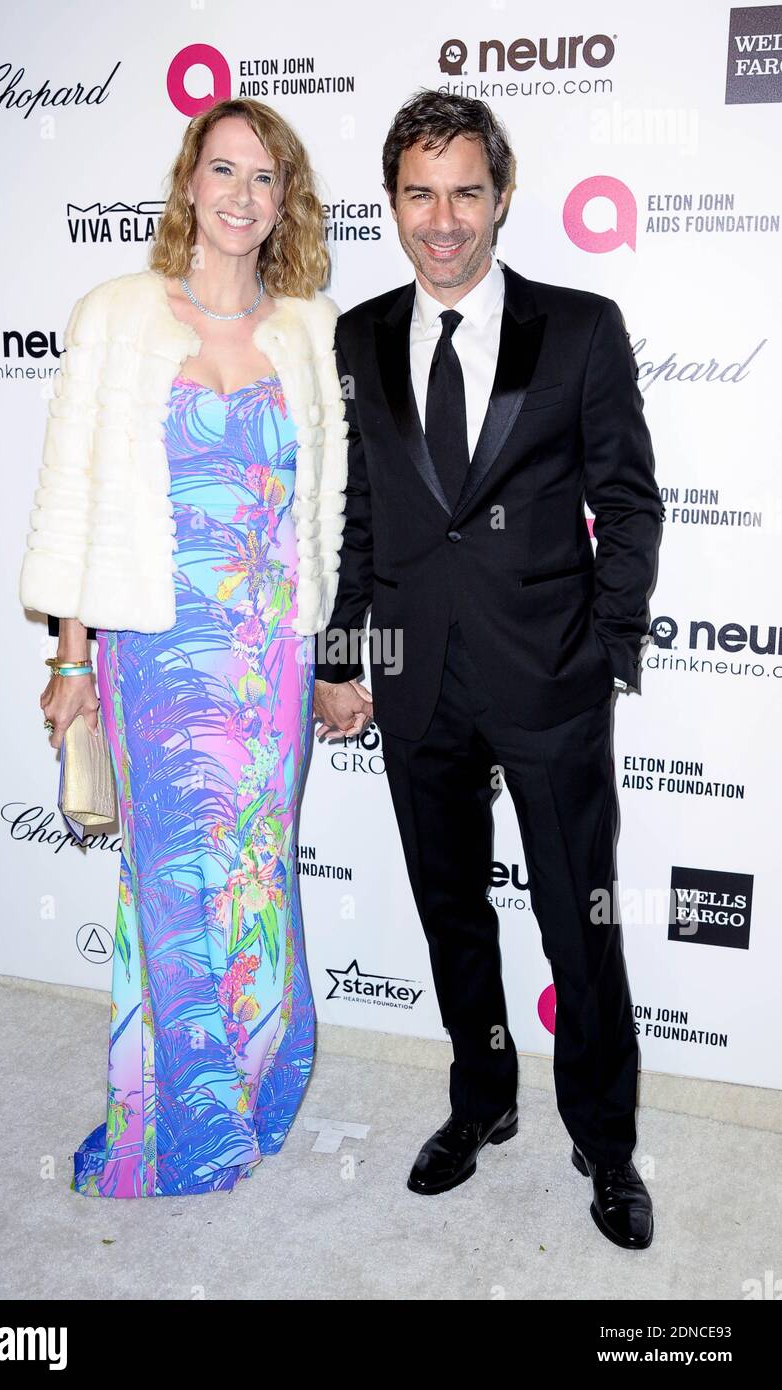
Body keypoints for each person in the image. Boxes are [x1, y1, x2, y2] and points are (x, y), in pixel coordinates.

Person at [312, 90, 665, 1249]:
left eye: (466, 190)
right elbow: (353, 511)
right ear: (393, 204)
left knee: (581, 922)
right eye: (420, 193)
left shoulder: (579, 326)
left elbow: (623, 498)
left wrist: (604, 650)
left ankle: (603, 1142)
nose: (444, 218)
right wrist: (341, 654)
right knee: (451, 915)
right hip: (415, 681)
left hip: (549, 677)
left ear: (501, 195)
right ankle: (482, 1099)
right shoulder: (356, 335)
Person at [19, 98, 352, 1197]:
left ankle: (253, 1080)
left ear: (284, 198)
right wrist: (73, 657)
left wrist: (323, 646)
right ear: (188, 183)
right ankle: (178, 1112)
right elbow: (73, 495)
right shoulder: (117, 315)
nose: (242, 196)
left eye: (265, 178)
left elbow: (328, 514)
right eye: (224, 171)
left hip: (268, 660)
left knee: (255, 879)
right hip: (156, 653)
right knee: (170, 883)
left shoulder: (307, 327)